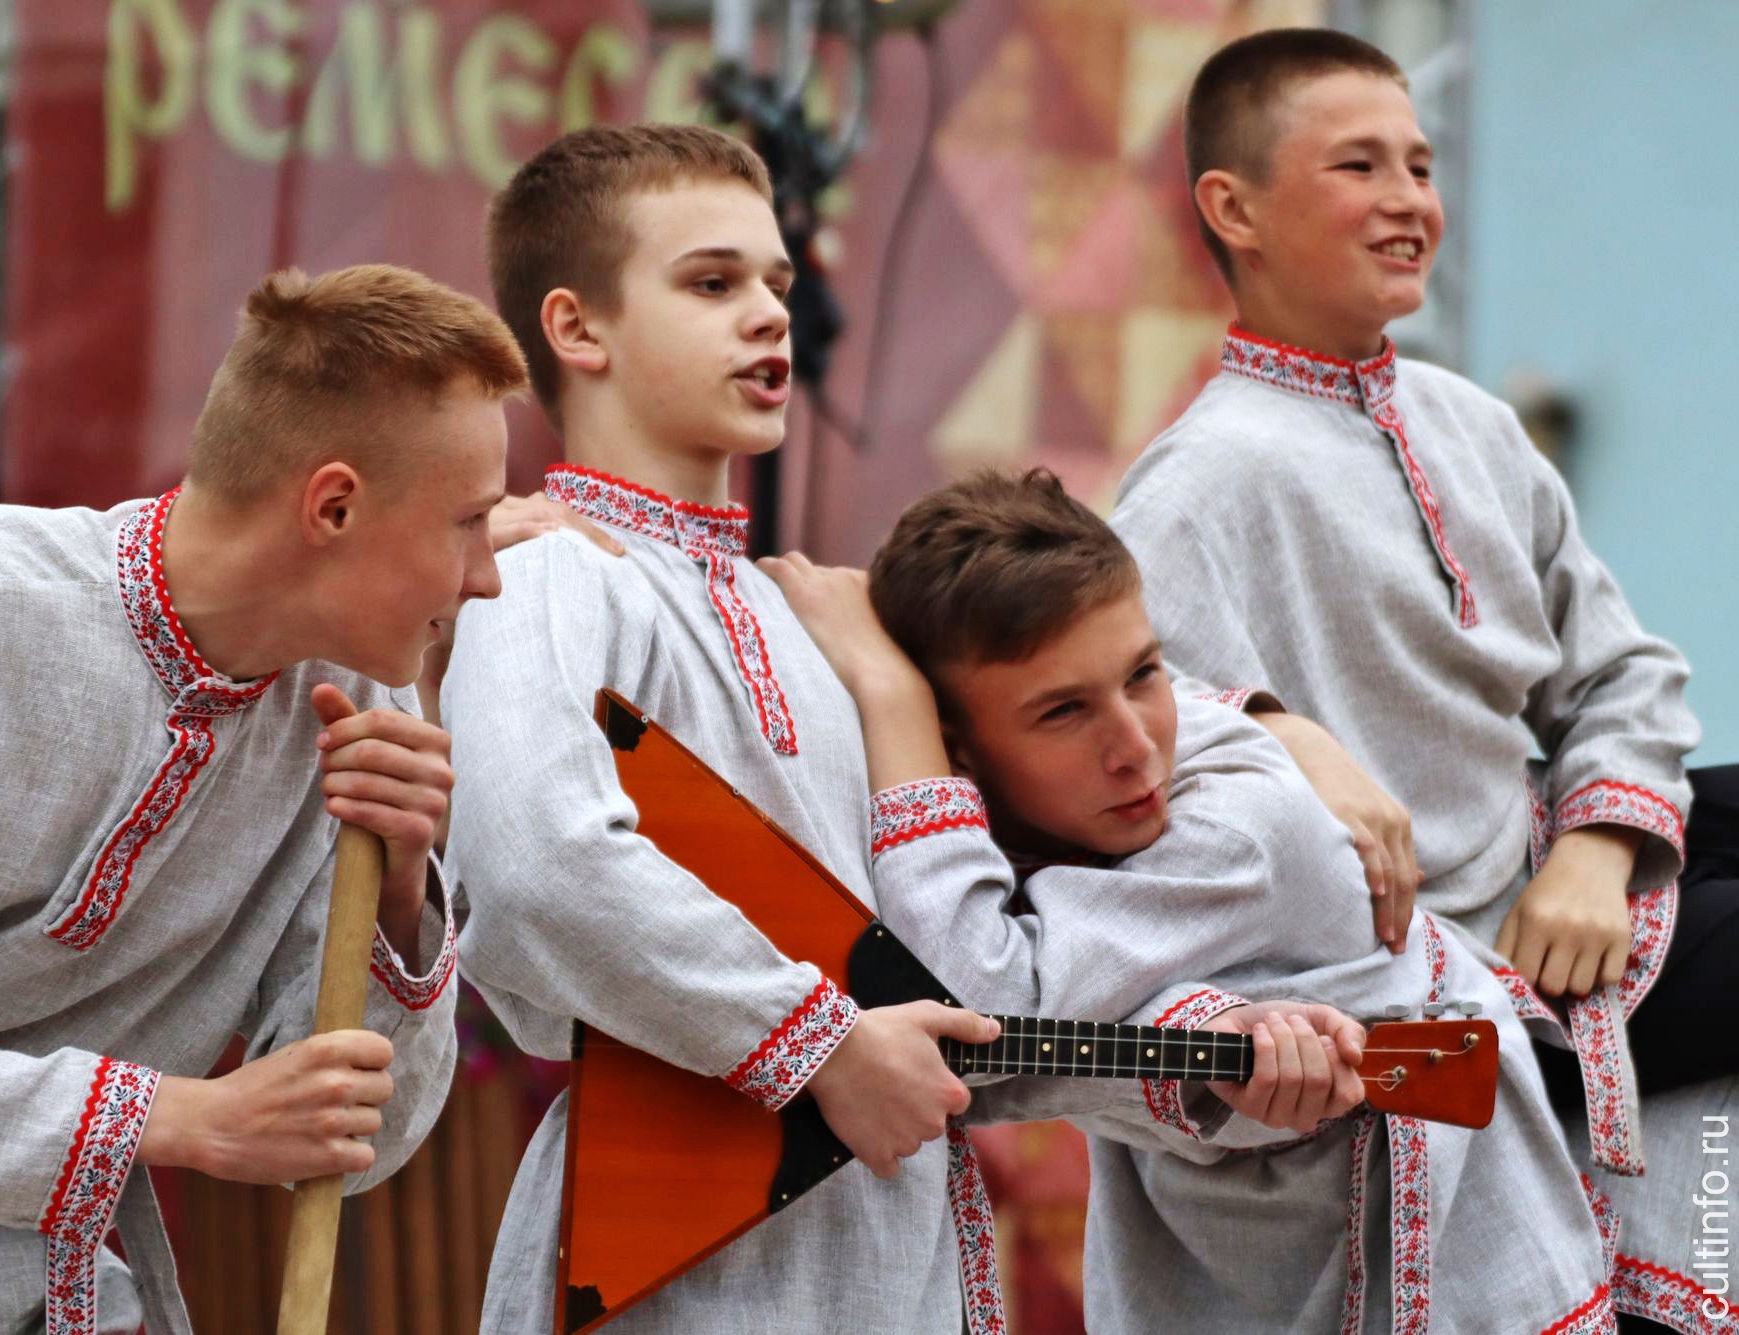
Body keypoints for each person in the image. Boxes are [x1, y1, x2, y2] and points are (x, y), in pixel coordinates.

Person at [440, 123, 1352, 1334]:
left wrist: (1222, 1057)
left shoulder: (819, 619)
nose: (768, 316)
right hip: (682, 1268)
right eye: (710, 283)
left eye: (777, 283)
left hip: (898, 1256)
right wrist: (818, 1046)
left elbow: (963, 974)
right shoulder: (553, 574)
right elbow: (531, 866)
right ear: (575, 328)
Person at [0, 263, 519, 1334]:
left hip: (65, 1303)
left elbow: (351, 1146)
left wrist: (400, 891)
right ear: (332, 504)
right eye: (468, 522)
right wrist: (181, 1117)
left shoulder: (354, 710)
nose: (486, 576)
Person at [1110, 27, 1737, 1331]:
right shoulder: (1198, 483)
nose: (1408, 199)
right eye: (1358, 166)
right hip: (1441, 966)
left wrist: (1598, 851)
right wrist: (1283, 734)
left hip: (1550, 878)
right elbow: (1150, 765)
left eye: (1420, 163)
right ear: (1233, 208)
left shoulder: (1471, 424)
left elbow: (1622, 671)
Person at [765, 466, 1622, 1334]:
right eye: (1064, 712)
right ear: (961, 751)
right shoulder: (1105, 772)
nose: (1137, 747)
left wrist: (890, 695)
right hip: (1236, 1265)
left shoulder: (1237, 829)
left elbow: (975, 1015)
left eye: (1145, 672)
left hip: (1453, 1282)